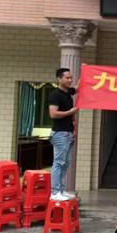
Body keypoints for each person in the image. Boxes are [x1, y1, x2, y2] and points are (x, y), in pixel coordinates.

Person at [48, 67, 78, 201]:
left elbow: (78, 87)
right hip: (60, 133)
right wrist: (70, 112)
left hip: (68, 133)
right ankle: (55, 192)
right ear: (59, 79)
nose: (70, 80)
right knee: (59, 163)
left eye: (71, 77)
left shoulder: (68, 92)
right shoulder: (55, 94)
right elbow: (53, 114)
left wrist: (85, 69)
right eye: (67, 78)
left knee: (66, 163)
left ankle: (61, 190)